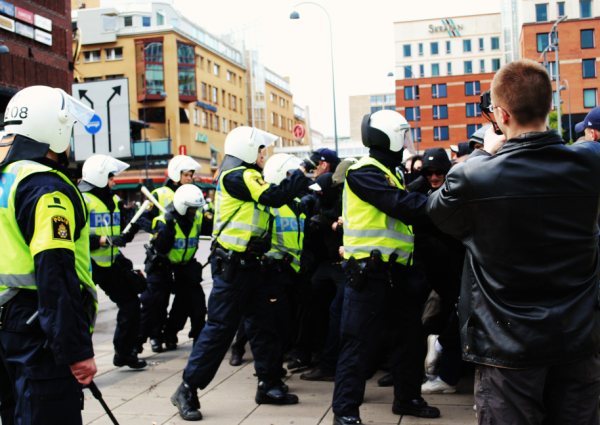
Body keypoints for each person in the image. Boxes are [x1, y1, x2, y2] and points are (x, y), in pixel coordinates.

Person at [427, 59, 600, 425]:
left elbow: (437, 213)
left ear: (501, 115)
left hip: (508, 344)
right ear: (550, 107)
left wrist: (483, 153)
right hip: (578, 336)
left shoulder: (475, 177)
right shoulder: (590, 164)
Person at [171, 126, 312, 421]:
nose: (264, 155)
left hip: (253, 266)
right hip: (233, 268)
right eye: (261, 150)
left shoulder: (247, 177)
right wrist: (300, 172)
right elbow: (275, 196)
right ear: (248, 150)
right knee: (220, 330)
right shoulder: (238, 176)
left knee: (264, 326)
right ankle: (187, 388)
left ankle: (269, 384)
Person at [332, 109, 439, 425]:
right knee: (357, 345)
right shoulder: (362, 171)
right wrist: (443, 199)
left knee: (409, 340)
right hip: (368, 273)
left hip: (398, 274)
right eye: (402, 134)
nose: (406, 142)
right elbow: (400, 205)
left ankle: (407, 399)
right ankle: (345, 413)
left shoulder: (390, 172)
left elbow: (401, 196)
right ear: (389, 136)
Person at [0, 85, 98, 424]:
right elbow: (54, 272)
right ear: (54, 130)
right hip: (37, 331)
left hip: (8, 327)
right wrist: (76, 350)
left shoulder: (7, 179)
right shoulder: (45, 187)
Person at [80, 154, 147, 370]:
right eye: (110, 177)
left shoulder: (115, 201)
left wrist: (131, 229)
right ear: (98, 176)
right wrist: (102, 240)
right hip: (87, 264)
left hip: (111, 262)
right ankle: (77, 365)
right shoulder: (81, 199)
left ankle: (124, 353)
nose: (114, 181)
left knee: (130, 305)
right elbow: (72, 235)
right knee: (81, 315)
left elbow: (118, 233)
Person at [139, 154, 201, 353]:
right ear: (176, 174)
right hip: (163, 257)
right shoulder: (160, 194)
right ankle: (155, 336)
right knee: (158, 300)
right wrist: (159, 230)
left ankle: (171, 332)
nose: (190, 178)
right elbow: (141, 219)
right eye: (186, 174)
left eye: (192, 175)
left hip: (183, 260)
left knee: (185, 300)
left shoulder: (194, 194)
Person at [146, 184, 207, 349]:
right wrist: (169, 229)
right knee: (158, 302)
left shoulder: (197, 217)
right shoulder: (162, 222)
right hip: (164, 267)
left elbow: (211, 228)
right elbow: (162, 248)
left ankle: (197, 338)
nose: (195, 213)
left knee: (195, 304)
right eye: (192, 209)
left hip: (186, 267)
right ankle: (156, 336)